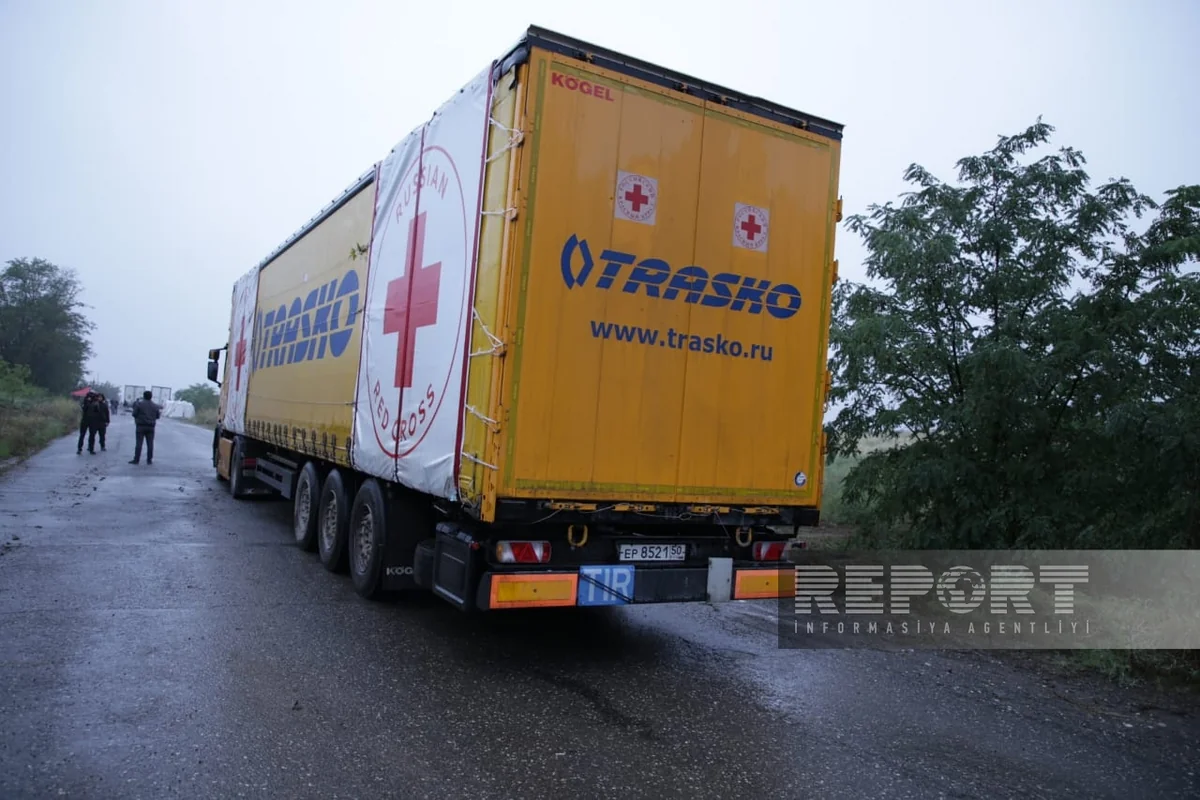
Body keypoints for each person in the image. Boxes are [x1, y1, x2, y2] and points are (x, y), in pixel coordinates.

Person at [129, 390, 161, 465]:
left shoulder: (139, 404)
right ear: (151, 396)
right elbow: (158, 416)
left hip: (140, 426)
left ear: (143, 396)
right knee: (150, 444)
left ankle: (136, 459)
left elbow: (134, 414)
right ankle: (149, 460)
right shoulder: (155, 406)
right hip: (151, 427)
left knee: (139, 444)